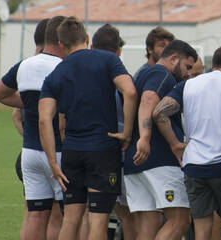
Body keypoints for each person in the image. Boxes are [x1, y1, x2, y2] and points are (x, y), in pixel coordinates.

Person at [38, 16, 138, 240]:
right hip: (103, 150)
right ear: (86, 38)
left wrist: (54, 163)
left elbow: (45, 120)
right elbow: (130, 92)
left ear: (61, 45)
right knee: (97, 219)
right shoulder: (107, 60)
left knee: (71, 218)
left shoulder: (55, 74)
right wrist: (128, 132)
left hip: (72, 151)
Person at [152, 44, 221, 240]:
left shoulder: (189, 85)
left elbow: (159, 112)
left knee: (201, 228)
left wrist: (175, 144)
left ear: (214, 63)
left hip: (194, 166)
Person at [0, 16, 67, 240]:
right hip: (58, 151)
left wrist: (30, 104)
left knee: (35, 215)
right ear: (63, 41)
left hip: (30, 151)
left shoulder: (24, 65)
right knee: (60, 217)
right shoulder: (65, 67)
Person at [123, 39, 197, 240]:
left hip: (134, 162)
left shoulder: (141, 73)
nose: (188, 73)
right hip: (158, 159)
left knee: (149, 225)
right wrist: (145, 138)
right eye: (187, 66)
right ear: (174, 58)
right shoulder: (162, 74)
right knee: (180, 220)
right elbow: (149, 101)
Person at [89, 23, 138, 240]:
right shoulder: (119, 76)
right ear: (118, 52)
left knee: (87, 215)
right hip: (116, 152)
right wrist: (127, 132)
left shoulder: (84, 74)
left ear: (91, 47)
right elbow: (131, 94)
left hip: (82, 148)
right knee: (127, 216)